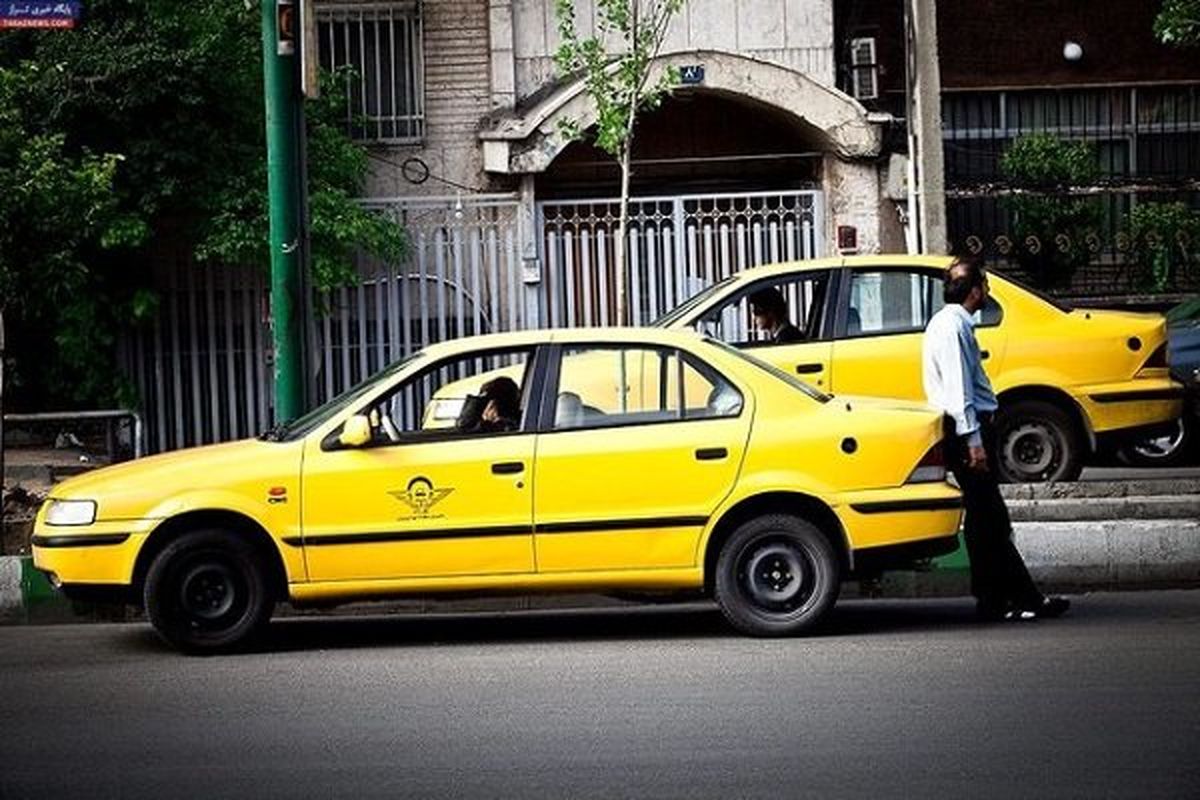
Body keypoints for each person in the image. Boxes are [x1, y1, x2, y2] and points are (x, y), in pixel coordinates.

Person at [922, 257, 1070, 622]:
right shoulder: (953, 328)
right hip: (967, 433)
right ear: (975, 291)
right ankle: (1023, 599)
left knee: (983, 519)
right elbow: (959, 391)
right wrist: (974, 441)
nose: (986, 292)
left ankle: (993, 598)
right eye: (985, 286)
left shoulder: (948, 323)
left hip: (966, 429)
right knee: (991, 518)